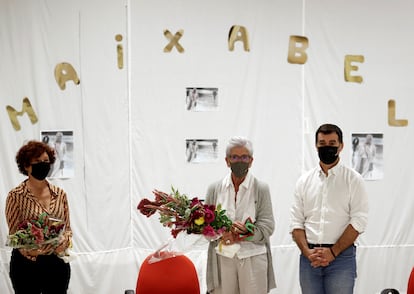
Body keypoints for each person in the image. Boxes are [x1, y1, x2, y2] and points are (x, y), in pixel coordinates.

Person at [290, 124, 369, 294]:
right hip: (309, 259)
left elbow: (359, 221)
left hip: (341, 258)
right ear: (316, 146)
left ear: (341, 146)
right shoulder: (304, 182)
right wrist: (308, 252)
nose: (327, 147)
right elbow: (296, 223)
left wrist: (333, 252)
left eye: (332, 143)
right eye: (322, 143)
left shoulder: (353, 180)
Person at [205, 136, 276, 294]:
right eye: (234, 157)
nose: (239, 161)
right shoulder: (214, 189)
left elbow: (267, 225)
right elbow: (206, 225)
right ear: (227, 160)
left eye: (244, 157)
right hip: (223, 258)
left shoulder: (261, 188)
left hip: (253, 257)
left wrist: (245, 234)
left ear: (251, 161)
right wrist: (222, 234)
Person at [5, 140, 72, 293]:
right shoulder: (15, 196)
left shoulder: (60, 194)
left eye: (46, 161)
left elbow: (67, 229)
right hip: (26, 265)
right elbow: (14, 234)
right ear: (26, 166)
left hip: (57, 263)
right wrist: (30, 250)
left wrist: (65, 242)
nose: (43, 164)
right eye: (37, 162)